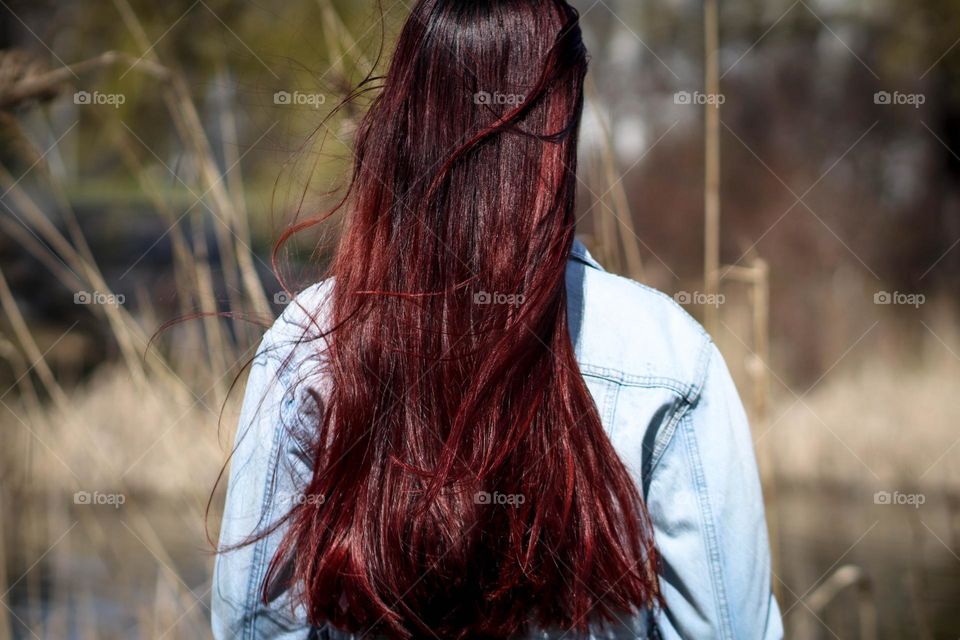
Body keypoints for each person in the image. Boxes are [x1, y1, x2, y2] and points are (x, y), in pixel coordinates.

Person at [212, 0, 783, 637]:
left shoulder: (305, 343)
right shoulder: (668, 356)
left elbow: (254, 626)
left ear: (408, 115)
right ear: (563, 126)